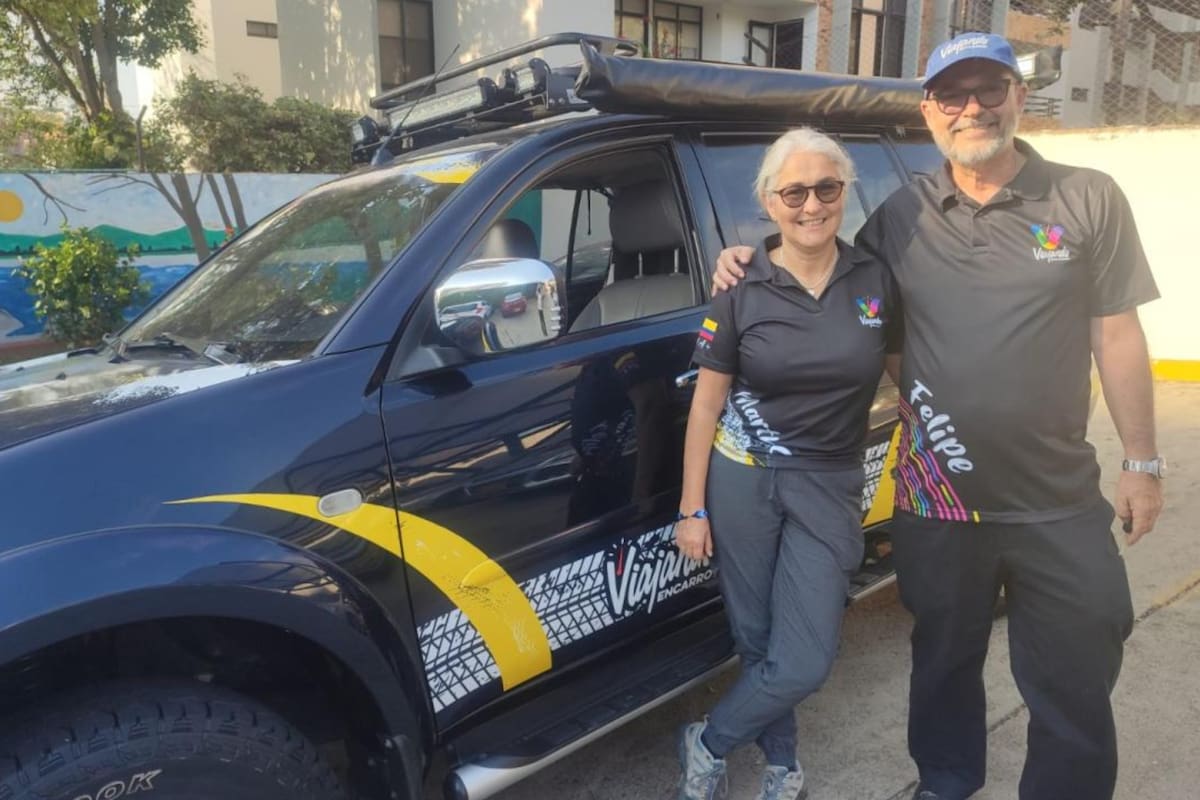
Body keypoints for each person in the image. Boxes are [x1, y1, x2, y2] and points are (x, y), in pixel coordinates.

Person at [712, 32, 1164, 800]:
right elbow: (826, 272)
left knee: (1077, 668)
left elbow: (1117, 334)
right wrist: (748, 256)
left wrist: (1142, 461)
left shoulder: (1087, 197)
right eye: (952, 94)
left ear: (1019, 97)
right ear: (929, 111)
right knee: (943, 665)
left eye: (989, 89)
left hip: (1056, 498)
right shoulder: (900, 217)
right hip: (937, 498)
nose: (971, 108)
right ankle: (947, 784)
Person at [674, 128, 900, 800]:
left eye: (826, 188)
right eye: (794, 192)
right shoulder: (741, 282)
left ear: (844, 192)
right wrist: (692, 508)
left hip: (828, 481)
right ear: (770, 202)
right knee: (757, 637)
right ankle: (782, 768)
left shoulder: (874, 279)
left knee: (805, 659)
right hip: (743, 479)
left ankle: (708, 741)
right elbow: (705, 406)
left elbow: (909, 378)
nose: (811, 205)